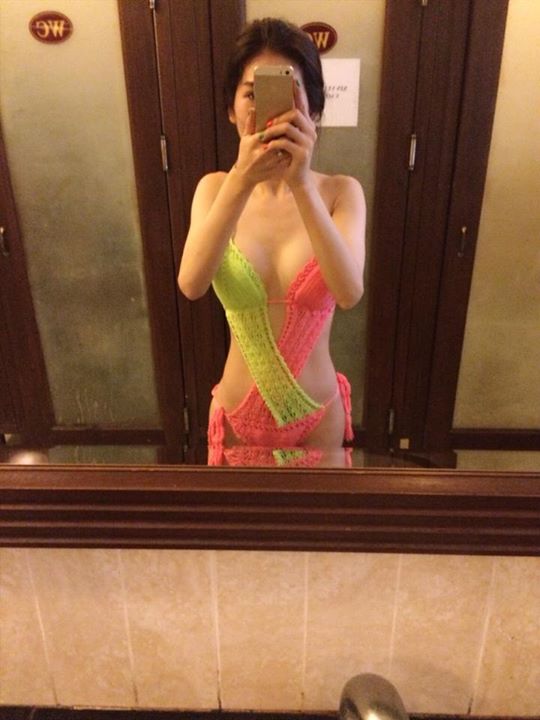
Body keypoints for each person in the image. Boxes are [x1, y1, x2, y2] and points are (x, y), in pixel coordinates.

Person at [178, 18, 366, 465]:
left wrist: (300, 183)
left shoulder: (341, 192)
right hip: (236, 416)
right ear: (231, 108)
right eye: (251, 93)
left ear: (314, 109)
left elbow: (348, 292)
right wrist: (242, 179)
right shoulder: (214, 189)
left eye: (289, 90)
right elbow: (191, 283)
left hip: (319, 417)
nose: (268, 106)